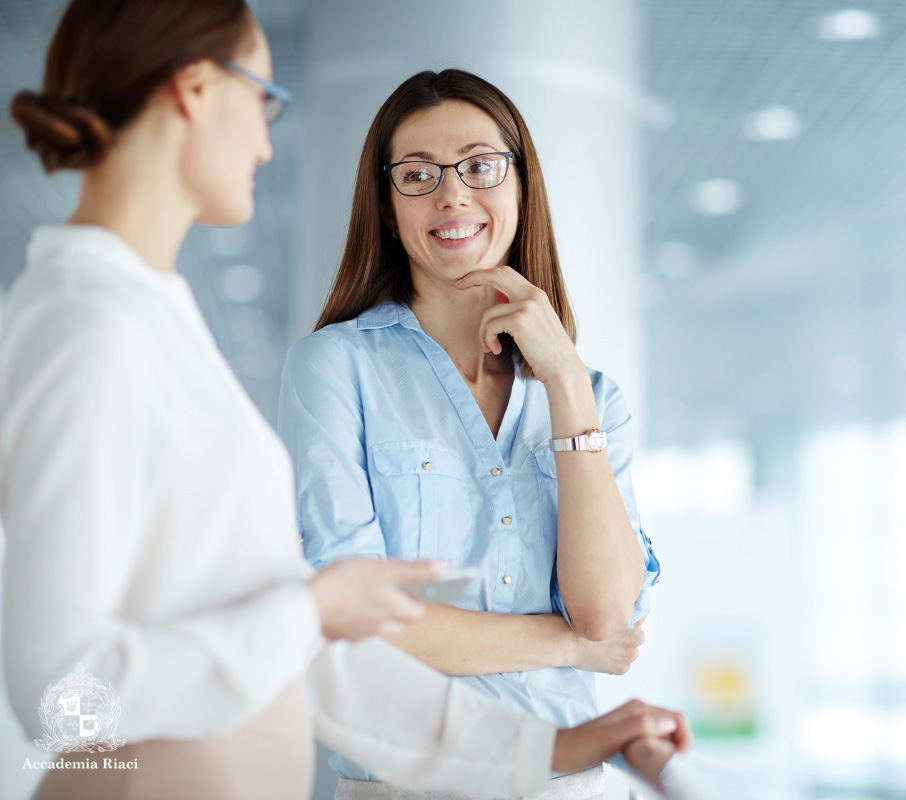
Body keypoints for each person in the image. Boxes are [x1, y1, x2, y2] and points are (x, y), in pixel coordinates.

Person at [0, 3, 688, 800]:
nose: (266, 138)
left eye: (479, 167)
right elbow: (60, 699)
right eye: (261, 96)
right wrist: (311, 613)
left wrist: (550, 748)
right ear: (194, 89)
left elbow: (321, 659)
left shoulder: (154, 318)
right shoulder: (85, 320)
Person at [278, 69, 661, 800]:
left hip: (569, 784)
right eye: (417, 174)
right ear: (388, 208)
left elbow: (609, 611)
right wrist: (568, 643)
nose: (452, 195)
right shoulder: (335, 368)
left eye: (480, 167)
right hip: (409, 784)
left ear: (521, 186)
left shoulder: (592, 397)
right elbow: (356, 623)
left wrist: (567, 384)